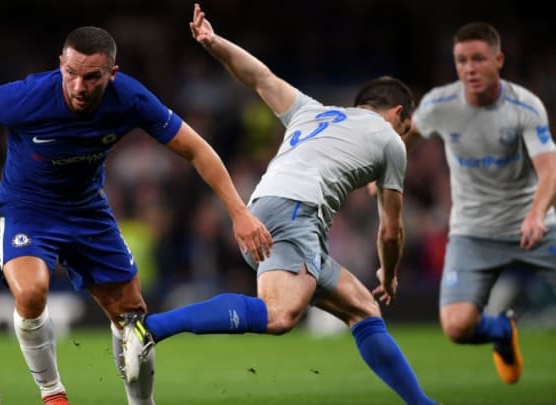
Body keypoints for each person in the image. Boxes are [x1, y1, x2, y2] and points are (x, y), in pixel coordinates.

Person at [0, 26, 272, 405]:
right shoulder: (27, 97)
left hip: (87, 213)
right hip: (28, 211)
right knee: (30, 292)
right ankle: (53, 394)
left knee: (132, 320)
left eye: (92, 77)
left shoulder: (130, 99)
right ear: (61, 63)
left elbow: (196, 148)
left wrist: (238, 212)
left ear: (113, 73)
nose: (79, 86)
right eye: (72, 73)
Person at [119, 4, 439, 405]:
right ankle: (149, 329)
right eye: (406, 129)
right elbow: (392, 230)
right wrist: (390, 275)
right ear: (399, 115)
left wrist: (214, 42)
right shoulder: (391, 140)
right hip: (295, 211)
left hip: (270, 206)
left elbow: (259, 76)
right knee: (279, 315)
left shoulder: (313, 111)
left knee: (363, 308)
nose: (405, 137)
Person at [401, 21, 556, 385]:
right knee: (457, 326)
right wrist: (384, 172)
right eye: (461, 60)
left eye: (478, 59)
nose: (470, 68)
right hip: (474, 232)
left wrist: (536, 214)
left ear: (498, 59)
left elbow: (549, 170)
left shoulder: (524, 107)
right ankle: (502, 331)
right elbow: (406, 137)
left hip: (534, 226)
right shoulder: (441, 104)